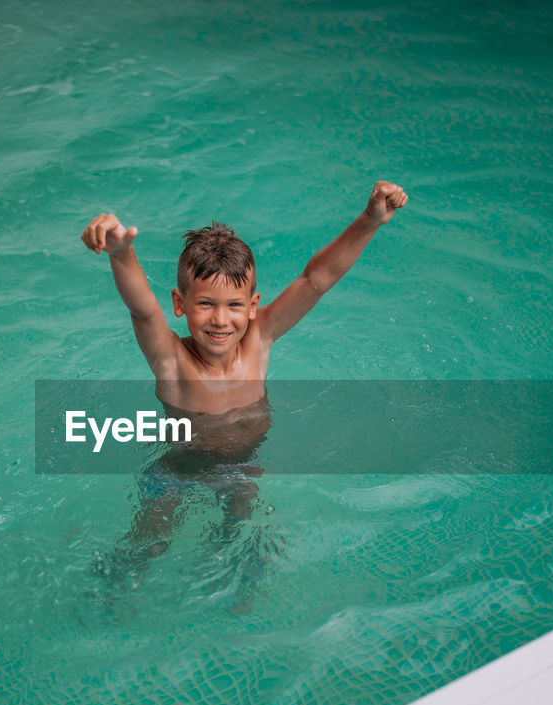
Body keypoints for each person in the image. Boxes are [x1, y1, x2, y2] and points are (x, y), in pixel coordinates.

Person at [80, 181, 409, 614]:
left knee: (241, 533)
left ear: (253, 305)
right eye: (205, 304)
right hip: (176, 467)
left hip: (241, 465)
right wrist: (123, 254)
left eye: (234, 305)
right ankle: (111, 594)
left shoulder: (259, 341)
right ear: (180, 304)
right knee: (151, 542)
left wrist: (369, 222)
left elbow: (315, 279)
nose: (221, 319)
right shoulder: (172, 360)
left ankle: (229, 600)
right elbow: (143, 309)